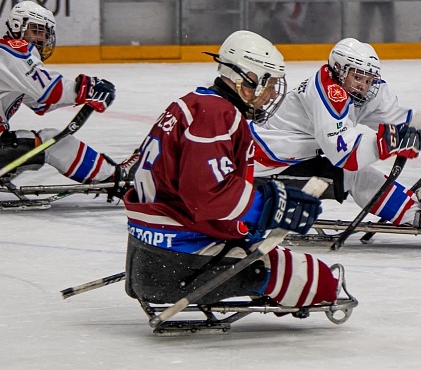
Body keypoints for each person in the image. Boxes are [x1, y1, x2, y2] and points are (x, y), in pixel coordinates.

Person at [124, 30, 341, 310]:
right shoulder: (217, 114)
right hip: (181, 255)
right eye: (270, 83)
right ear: (247, 78)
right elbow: (205, 195)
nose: (273, 92)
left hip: (150, 247)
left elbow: (194, 181)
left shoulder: (192, 103)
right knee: (319, 283)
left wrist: (264, 199)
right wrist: (267, 207)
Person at [251, 38, 421, 231]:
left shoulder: (359, 90)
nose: (363, 86)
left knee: (354, 175)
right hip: (266, 164)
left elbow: (397, 120)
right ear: (339, 69)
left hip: (299, 156)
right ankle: (413, 213)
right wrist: (387, 143)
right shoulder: (327, 92)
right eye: (357, 77)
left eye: (367, 80)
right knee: (352, 174)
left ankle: (417, 212)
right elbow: (345, 155)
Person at [0, 1, 137, 201]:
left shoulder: (7, 60)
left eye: (44, 33)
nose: (41, 38)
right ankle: (116, 177)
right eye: (35, 31)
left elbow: (42, 103)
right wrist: (88, 88)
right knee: (50, 141)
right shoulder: (12, 51)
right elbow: (49, 91)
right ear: (16, 26)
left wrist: (83, 95)